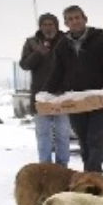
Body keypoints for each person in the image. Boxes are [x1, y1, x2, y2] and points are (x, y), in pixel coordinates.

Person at [44, 5, 103, 173]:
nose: (74, 21)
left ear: (85, 19)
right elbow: (57, 72)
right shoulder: (62, 46)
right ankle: (89, 174)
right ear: (65, 23)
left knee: (95, 138)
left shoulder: (101, 39)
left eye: (77, 17)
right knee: (84, 140)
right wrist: (46, 94)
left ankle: (95, 174)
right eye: (70, 19)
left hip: (98, 97)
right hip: (75, 99)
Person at [19, 13, 71, 166]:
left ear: (56, 25)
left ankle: (62, 167)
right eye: (45, 24)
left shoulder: (66, 40)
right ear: (40, 27)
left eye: (51, 24)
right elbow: (24, 65)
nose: (48, 27)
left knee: (63, 133)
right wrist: (38, 53)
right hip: (40, 96)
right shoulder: (32, 43)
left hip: (62, 94)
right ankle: (45, 167)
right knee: (43, 134)